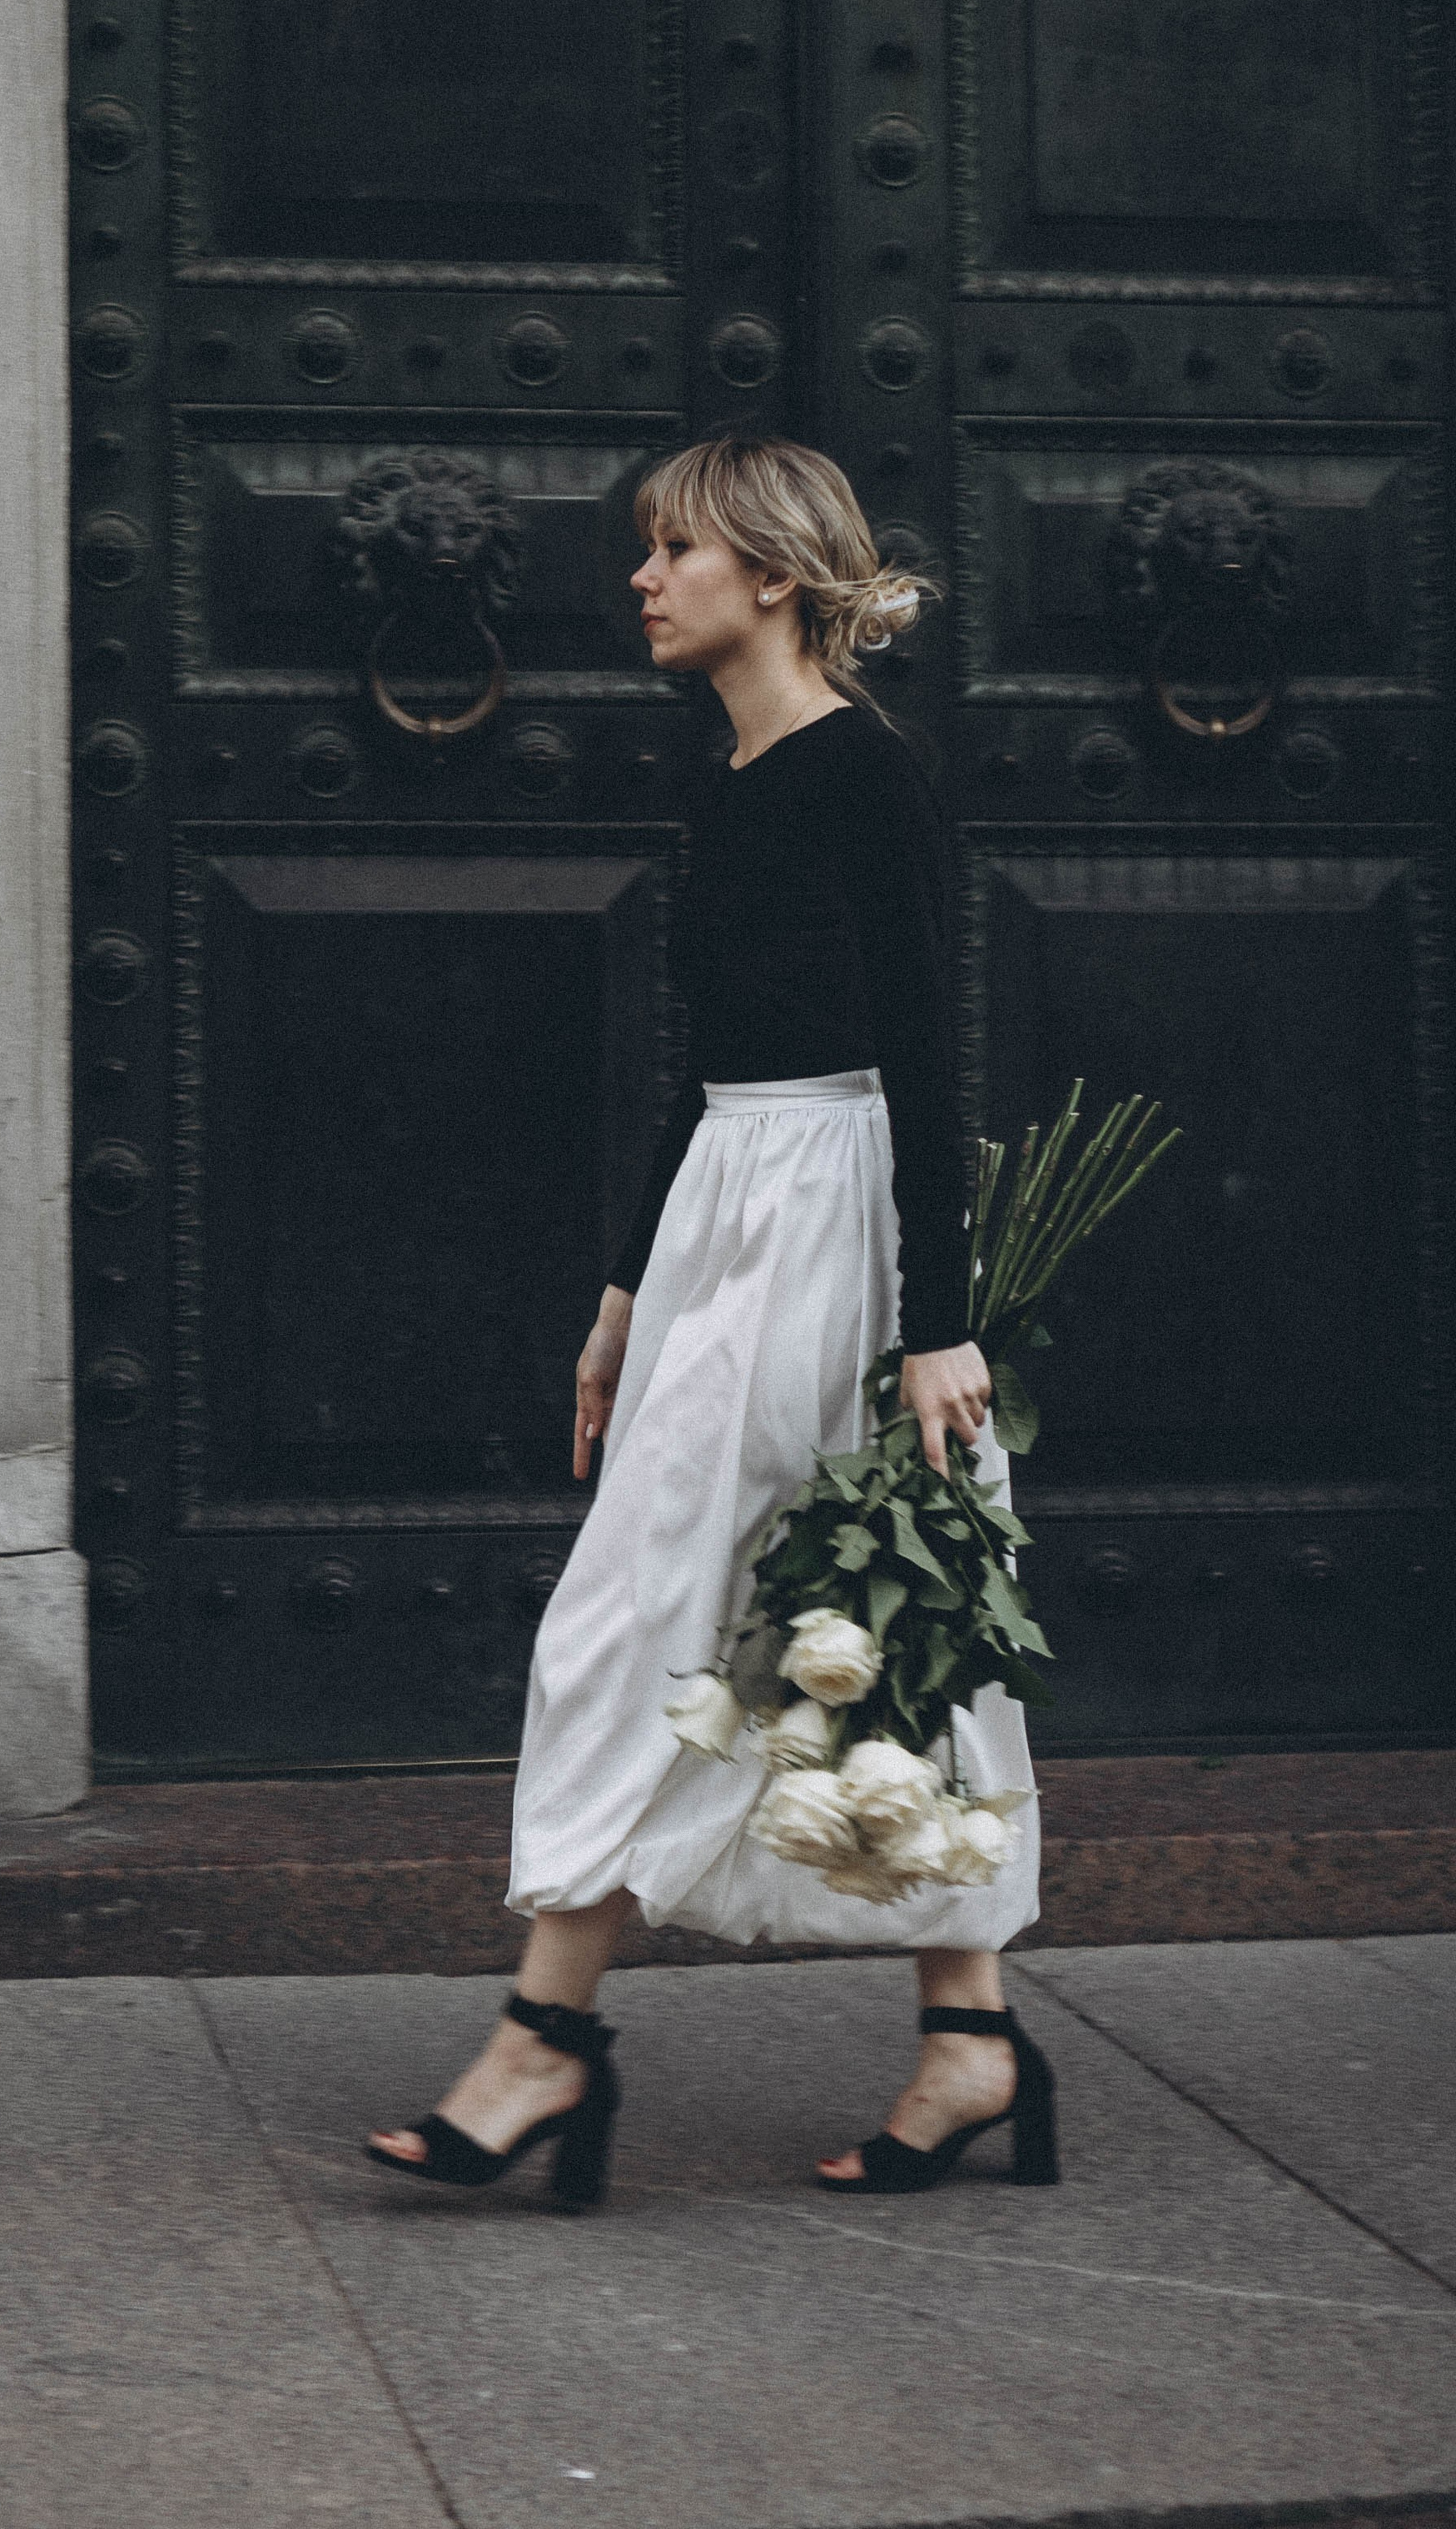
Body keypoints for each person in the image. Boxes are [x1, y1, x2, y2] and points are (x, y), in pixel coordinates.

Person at [365, 436, 1051, 2209]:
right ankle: (968, 2037)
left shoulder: (859, 778)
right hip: (724, 1215)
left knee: (657, 1615)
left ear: (765, 573)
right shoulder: (736, 778)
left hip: (830, 1213)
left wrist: (934, 1320)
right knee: (850, 1617)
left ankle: (545, 2043)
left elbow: (921, 1056)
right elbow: (704, 1068)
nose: (639, 579)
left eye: (670, 550)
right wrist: (618, 1295)